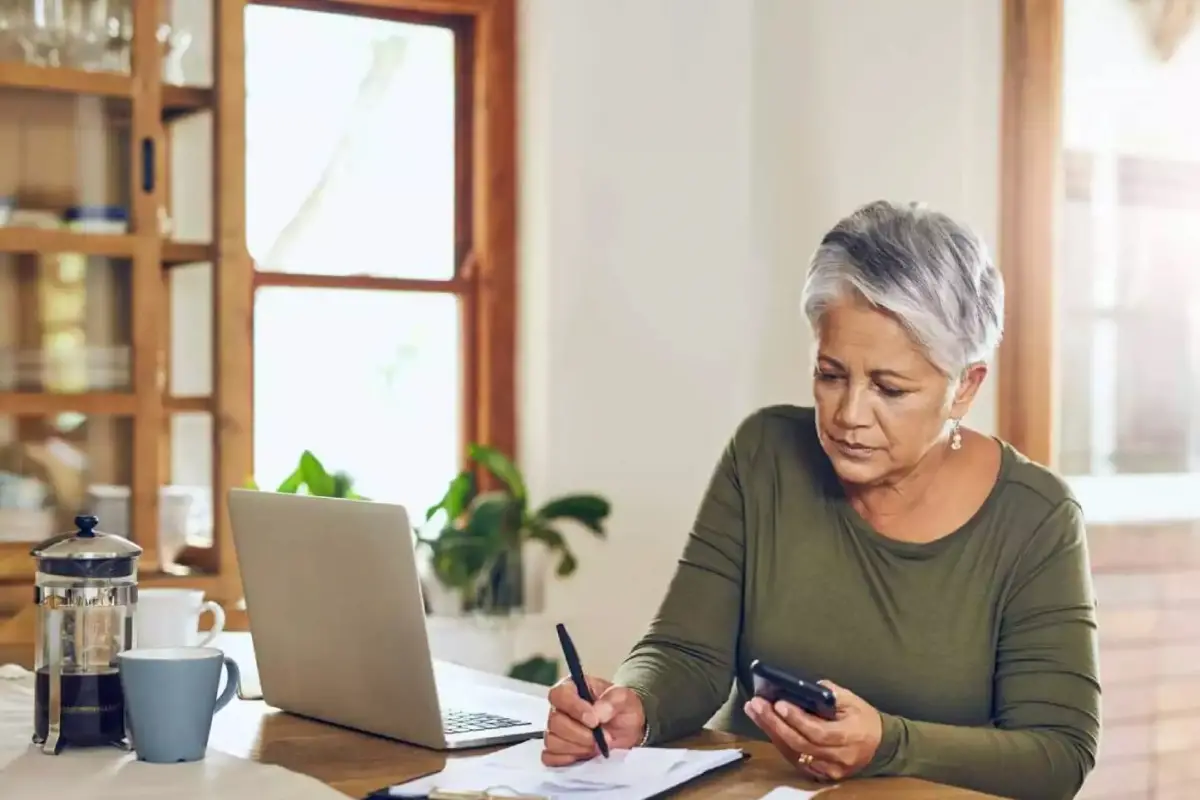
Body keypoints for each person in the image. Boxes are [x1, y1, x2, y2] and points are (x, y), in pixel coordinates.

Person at [540, 201, 1100, 800]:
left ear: (964, 386)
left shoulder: (1037, 516)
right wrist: (635, 706)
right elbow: (685, 651)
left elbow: (1058, 752)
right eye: (831, 375)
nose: (849, 415)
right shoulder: (765, 453)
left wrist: (888, 743)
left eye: (889, 388)